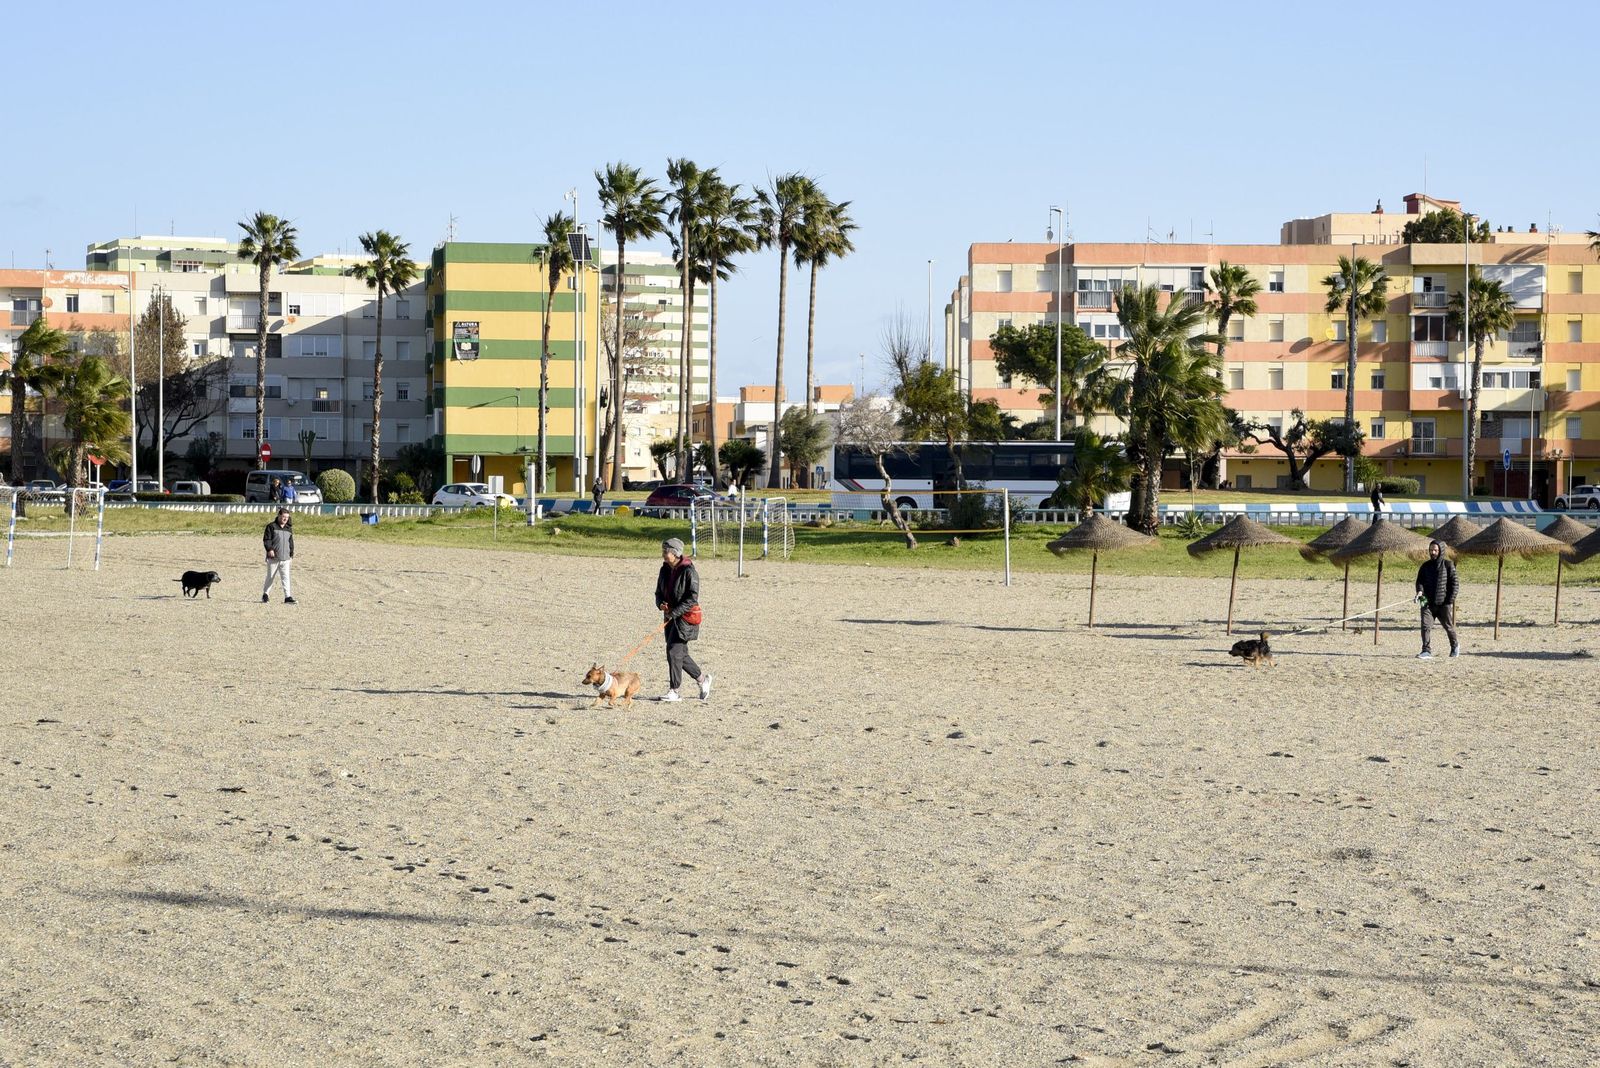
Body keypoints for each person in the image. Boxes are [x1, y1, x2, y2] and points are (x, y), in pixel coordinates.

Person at [654, 537, 711, 702]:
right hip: (670, 616)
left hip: (685, 618)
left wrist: (675, 612)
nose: (664, 554)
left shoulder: (689, 571)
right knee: (680, 654)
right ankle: (702, 680)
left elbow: (692, 598)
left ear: (675, 553)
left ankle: (674, 691)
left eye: (666, 551)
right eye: (663, 551)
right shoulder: (664, 569)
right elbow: (658, 592)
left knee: (673, 652)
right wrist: (661, 605)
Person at [1414, 538, 1458, 659]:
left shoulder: (1448, 565)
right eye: (1431, 550)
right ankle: (1426, 650)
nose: (1432, 552)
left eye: (1435, 550)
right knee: (1425, 626)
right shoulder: (1425, 566)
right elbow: (1420, 582)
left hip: (1443, 604)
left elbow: (1454, 585)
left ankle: (1455, 646)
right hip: (1427, 603)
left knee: (1448, 627)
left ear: (1440, 551)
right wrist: (1419, 591)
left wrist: (1449, 600)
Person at [263, 506, 297, 604]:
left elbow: (291, 542)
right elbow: (267, 539)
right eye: (283, 517)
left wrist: (291, 554)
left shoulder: (288, 529)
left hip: (285, 558)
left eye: (287, 517)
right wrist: (269, 549)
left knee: (286, 577)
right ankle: (265, 594)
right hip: (274, 558)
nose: (285, 519)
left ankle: (287, 597)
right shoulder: (271, 526)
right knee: (270, 577)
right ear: (279, 516)